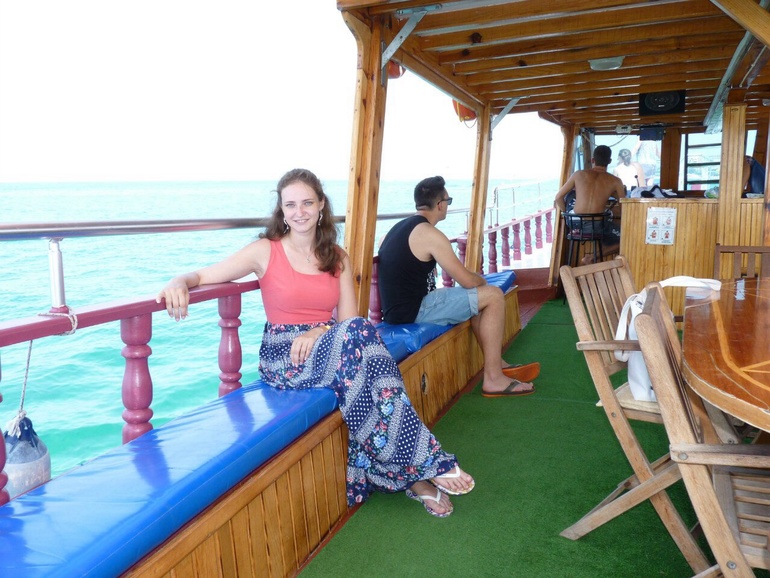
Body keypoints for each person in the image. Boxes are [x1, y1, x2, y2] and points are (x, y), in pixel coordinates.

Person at [156, 168, 473, 518]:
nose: (299, 212)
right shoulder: (265, 250)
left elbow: (351, 322)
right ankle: (425, 465)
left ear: (321, 205)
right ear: (281, 209)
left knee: (365, 367)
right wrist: (178, 281)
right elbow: (203, 275)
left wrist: (318, 331)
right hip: (285, 355)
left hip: (328, 343)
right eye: (290, 204)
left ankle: (413, 472)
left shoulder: (337, 257)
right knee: (364, 359)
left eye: (307, 203)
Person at [377, 175, 540, 399]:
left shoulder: (397, 229)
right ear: (440, 204)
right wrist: (483, 282)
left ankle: (497, 363)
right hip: (414, 311)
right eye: (448, 201)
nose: (447, 205)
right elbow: (467, 281)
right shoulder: (429, 234)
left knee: (476, 301)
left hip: (397, 312)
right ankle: (493, 379)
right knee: (492, 296)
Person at [554, 145, 626, 262]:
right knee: (626, 238)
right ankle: (591, 257)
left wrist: (567, 214)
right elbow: (624, 206)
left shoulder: (578, 174)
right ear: (609, 161)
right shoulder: (616, 181)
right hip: (596, 227)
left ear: (593, 160)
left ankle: (587, 258)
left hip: (574, 224)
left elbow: (558, 198)